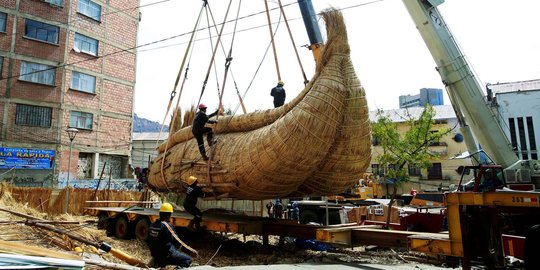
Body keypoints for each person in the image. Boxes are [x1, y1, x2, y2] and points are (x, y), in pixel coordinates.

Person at [146, 203, 197, 269]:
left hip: (155, 256)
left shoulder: (153, 225)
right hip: (166, 256)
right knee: (188, 260)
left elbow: (148, 241)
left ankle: (157, 262)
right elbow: (177, 242)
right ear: (169, 214)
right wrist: (190, 251)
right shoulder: (166, 226)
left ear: (160, 213)